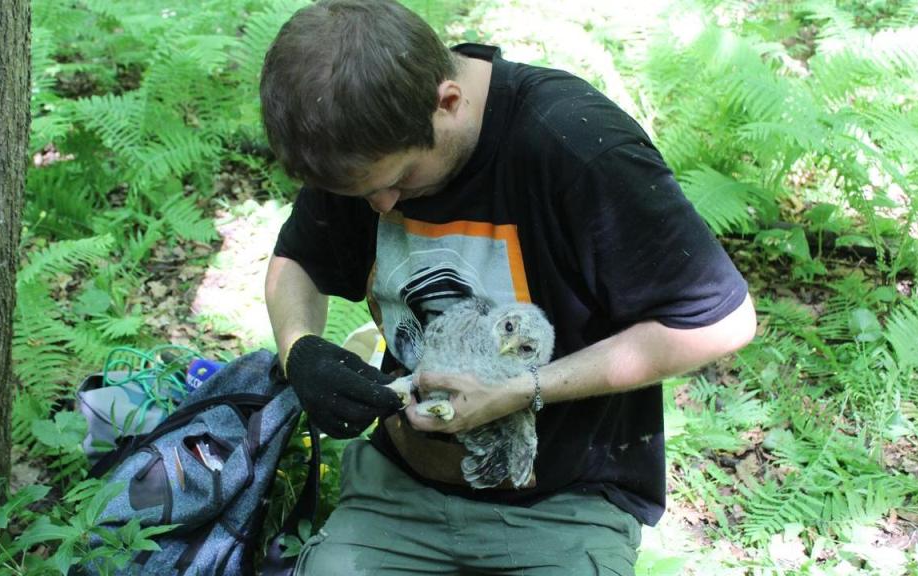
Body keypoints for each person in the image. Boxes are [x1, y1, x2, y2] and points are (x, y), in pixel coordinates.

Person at [261, 0, 757, 573]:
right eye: (363, 194)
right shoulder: (361, 134)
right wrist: (300, 350)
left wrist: (523, 388)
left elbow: (721, 320)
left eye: (399, 181)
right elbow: (296, 261)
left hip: (565, 503)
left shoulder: (575, 148)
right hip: (399, 493)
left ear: (447, 102)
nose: (382, 207)